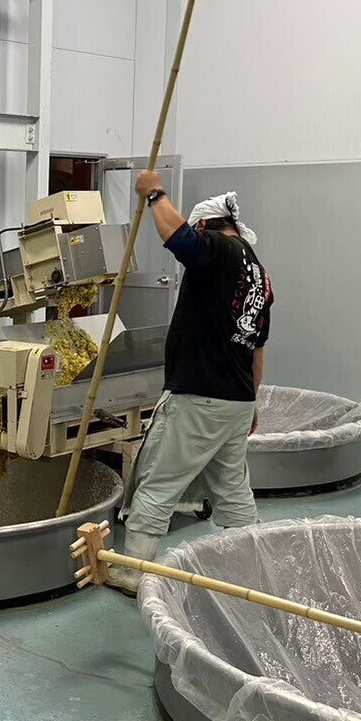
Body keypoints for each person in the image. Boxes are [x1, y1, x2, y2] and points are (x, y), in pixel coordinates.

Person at [106, 176, 273, 596]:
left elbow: (179, 239)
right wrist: (251, 400)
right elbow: (257, 347)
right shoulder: (258, 272)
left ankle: (133, 573)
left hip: (199, 396)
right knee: (232, 489)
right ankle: (249, 567)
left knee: (157, 484)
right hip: (236, 400)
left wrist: (154, 193)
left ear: (205, 226)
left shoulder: (221, 250)